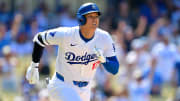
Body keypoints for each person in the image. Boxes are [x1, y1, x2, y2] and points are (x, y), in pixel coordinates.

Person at [26, 2, 119, 101]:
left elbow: (115, 69)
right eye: (91, 16)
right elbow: (39, 39)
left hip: (86, 89)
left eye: (96, 16)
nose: (95, 20)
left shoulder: (104, 37)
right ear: (81, 19)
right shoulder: (66, 35)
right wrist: (34, 66)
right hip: (62, 84)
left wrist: (104, 60)